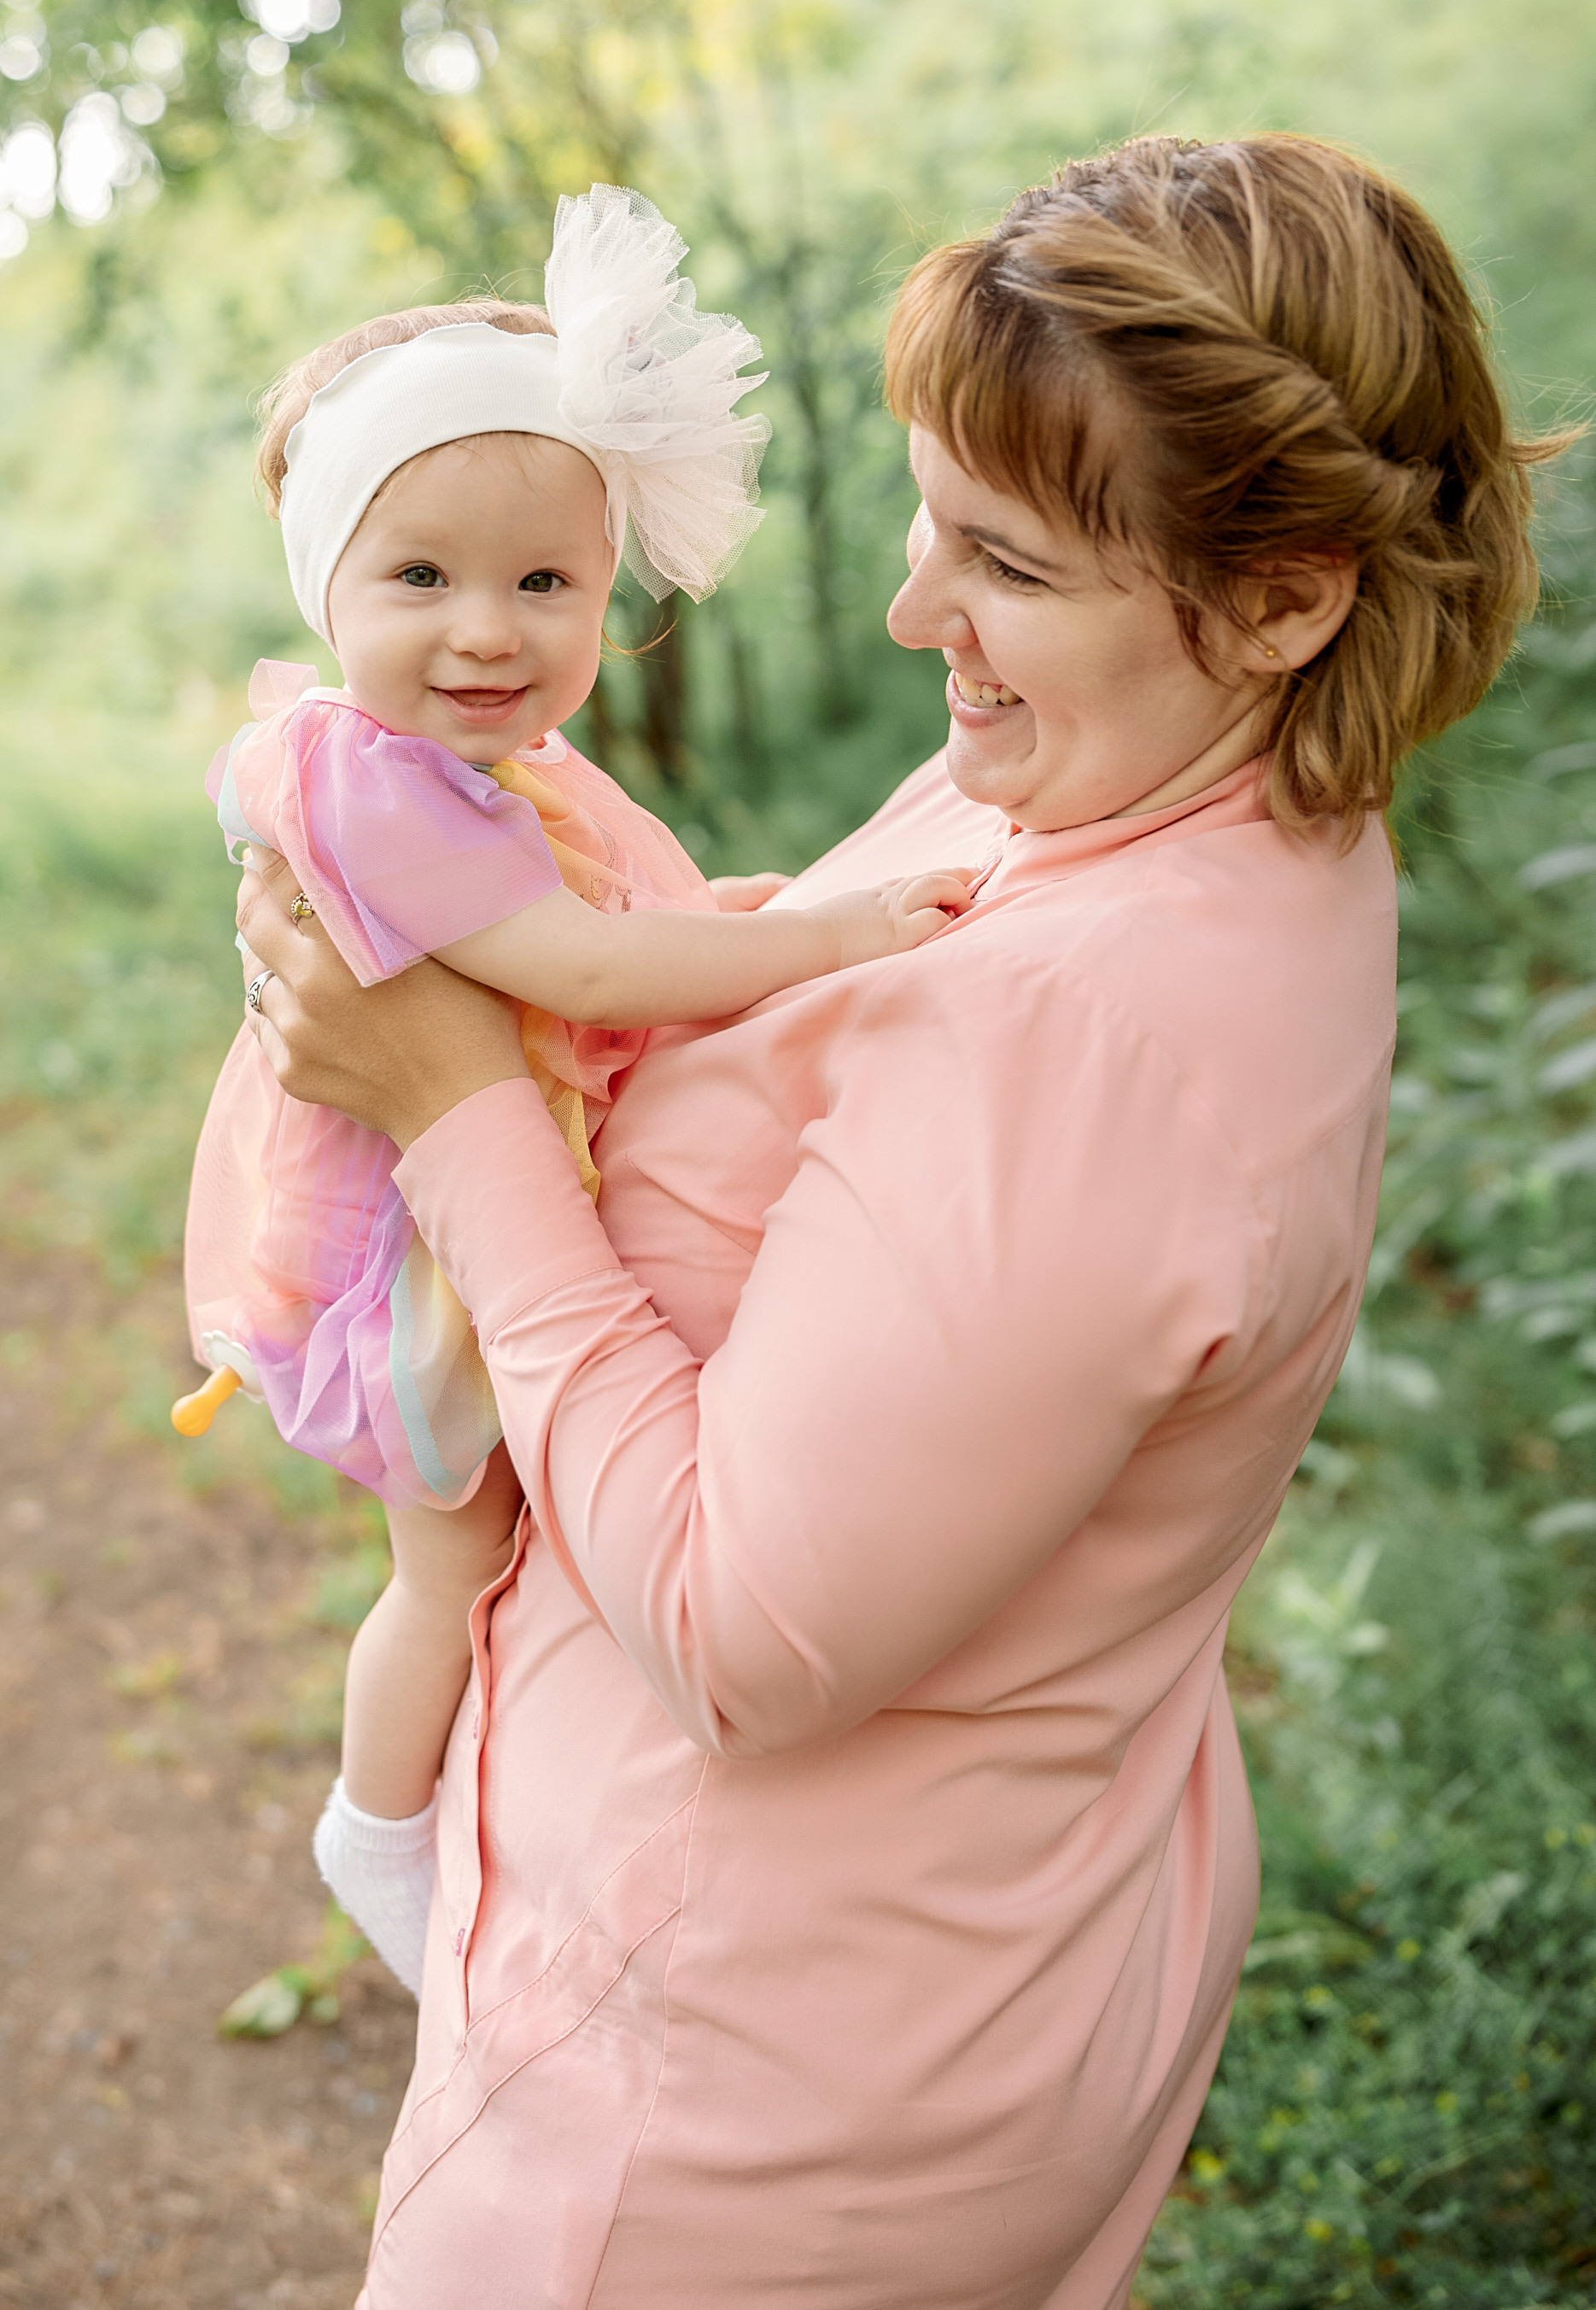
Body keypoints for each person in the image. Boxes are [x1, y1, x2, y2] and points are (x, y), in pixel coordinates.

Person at [237, 134, 1573, 2310]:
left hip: (731, 2095)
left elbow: (748, 1630)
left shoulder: (1090, 1033)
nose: (910, 614)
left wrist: (455, 1103)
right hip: (938, 1945)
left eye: (1006, 561)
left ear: (1288, 590)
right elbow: (858, 1009)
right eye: (930, 520)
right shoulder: (1136, 778)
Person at [181, 184, 964, 1991]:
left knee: (524, 1545)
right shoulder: (370, 782)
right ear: (330, 587)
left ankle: (498, 1801)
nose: (487, 629)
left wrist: (756, 914)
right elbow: (588, 971)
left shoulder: (503, 771)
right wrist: (830, 938)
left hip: (477, 1198)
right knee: (450, 1562)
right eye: (422, 579)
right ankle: (375, 1827)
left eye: (546, 582)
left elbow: (633, 911)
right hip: (403, 1259)